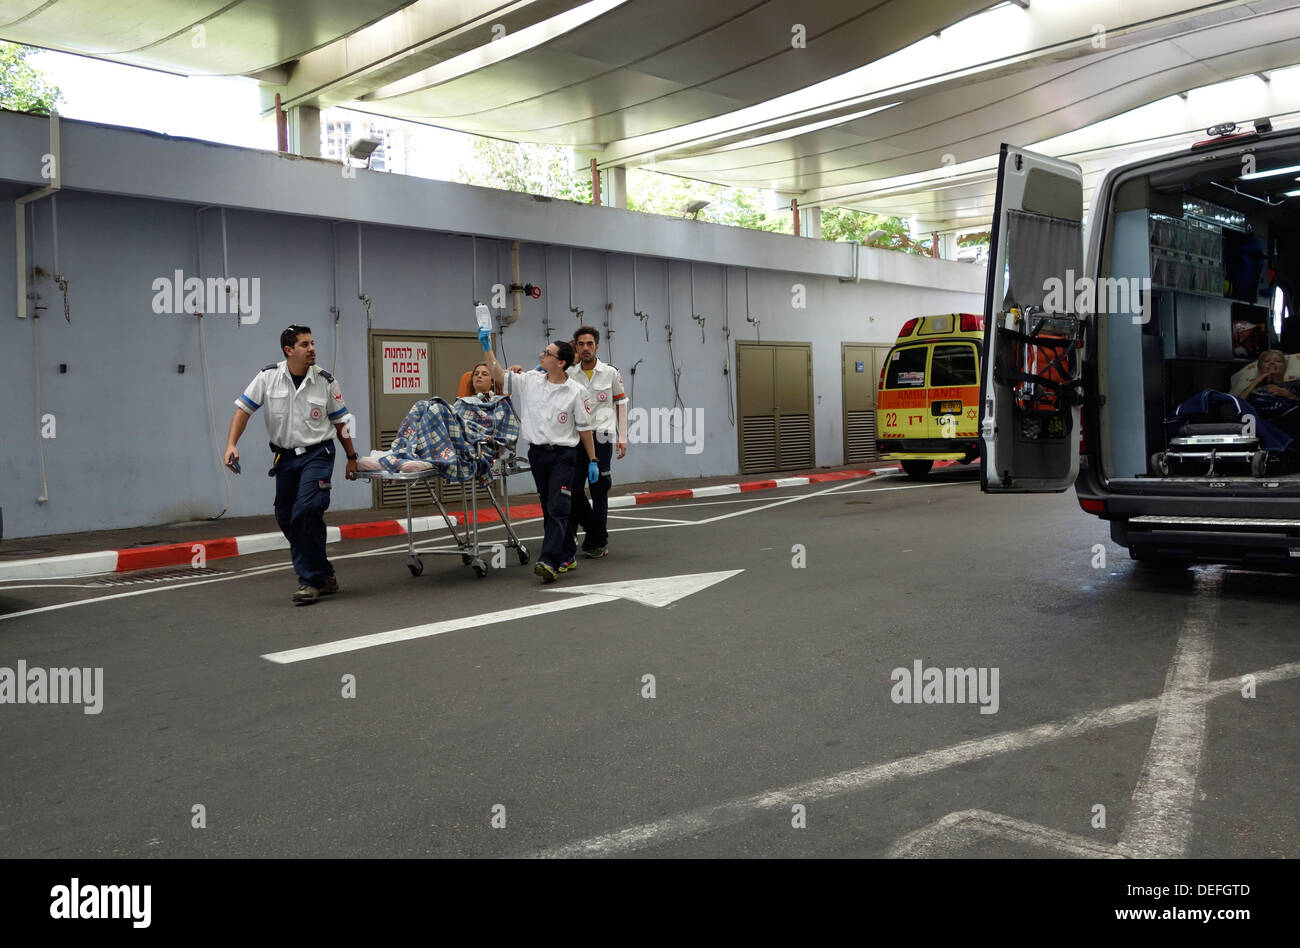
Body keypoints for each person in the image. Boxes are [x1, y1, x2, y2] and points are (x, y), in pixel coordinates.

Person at [224, 325, 360, 605]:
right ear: (289, 350)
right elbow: (243, 410)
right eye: (304, 344)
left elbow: (340, 423)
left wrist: (351, 457)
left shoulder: (325, 381)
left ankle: (310, 581)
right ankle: (324, 572)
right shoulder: (267, 377)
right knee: (288, 517)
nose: (312, 349)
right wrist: (231, 444)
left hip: (318, 454)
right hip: (284, 458)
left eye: (312, 343)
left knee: (306, 510)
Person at [480, 331, 597, 582]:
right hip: (538, 455)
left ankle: (549, 561)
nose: (541, 356)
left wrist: (593, 460)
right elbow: (499, 376)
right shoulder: (531, 380)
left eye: (547, 353)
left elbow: (584, 428)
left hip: (564, 455)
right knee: (548, 505)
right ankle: (566, 553)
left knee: (558, 506)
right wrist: (487, 347)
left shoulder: (575, 391)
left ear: (561, 362)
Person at [565, 326, 627, 558]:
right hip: (575, 439)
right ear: (576, 348)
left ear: (597, 347)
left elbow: (621, 404)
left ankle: (597, 542)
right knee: (572, 489)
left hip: (601, 439)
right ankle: (595, 531)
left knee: (599, 489)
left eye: (590, 344)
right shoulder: (570, 373)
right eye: (581, 344)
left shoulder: (610, 373)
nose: (586, 348)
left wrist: (622, 437)